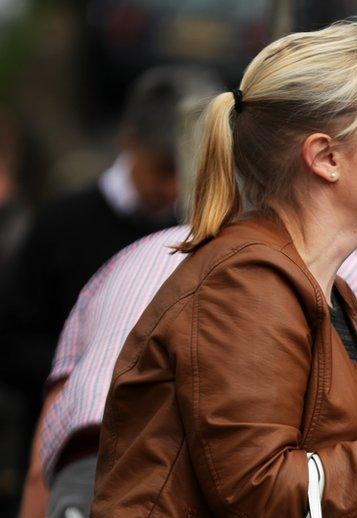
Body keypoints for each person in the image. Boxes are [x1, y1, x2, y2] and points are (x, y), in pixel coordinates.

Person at [89, 19, 357, 518]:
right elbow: (259, 495)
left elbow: (341, 482)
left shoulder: (322, 293)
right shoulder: (246, 285)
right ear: (325, 157)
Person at [12, 224, 357, 518]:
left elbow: (47, 442)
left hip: (85, 471)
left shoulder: (135, 253)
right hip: (186, 503)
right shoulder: (354, 278)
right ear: (321, 160)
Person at [0, 65, 220, 489]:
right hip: (65, 459)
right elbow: (11, 342)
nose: (174, 186)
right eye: (163, 168)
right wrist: (91, 372)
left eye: (186, 171)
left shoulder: (202, 234)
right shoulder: (61, 226)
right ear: (129, 140)